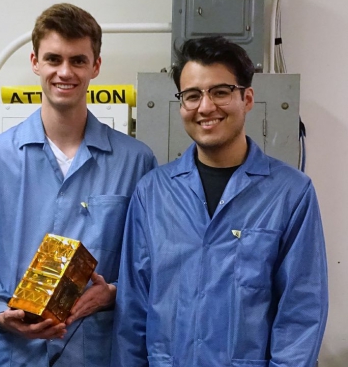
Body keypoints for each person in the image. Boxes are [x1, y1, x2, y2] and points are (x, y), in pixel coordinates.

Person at [0, 3, 157, 367]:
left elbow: (150, 265)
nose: (65, 72)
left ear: (96, 65)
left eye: (78, 60)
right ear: (35, 62)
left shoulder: (136, 161)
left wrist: (112, 293)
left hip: (96, 354)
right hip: (14, 354)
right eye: (53, 59)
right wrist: (0, 312)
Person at [112, 36, 328, 366]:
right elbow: (133, 311)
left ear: (247, 98)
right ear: (181, 103)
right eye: (192, 95)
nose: (205, 107)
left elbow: (301, 313)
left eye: (220, 92)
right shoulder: (153, 192)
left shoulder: (290, 194)